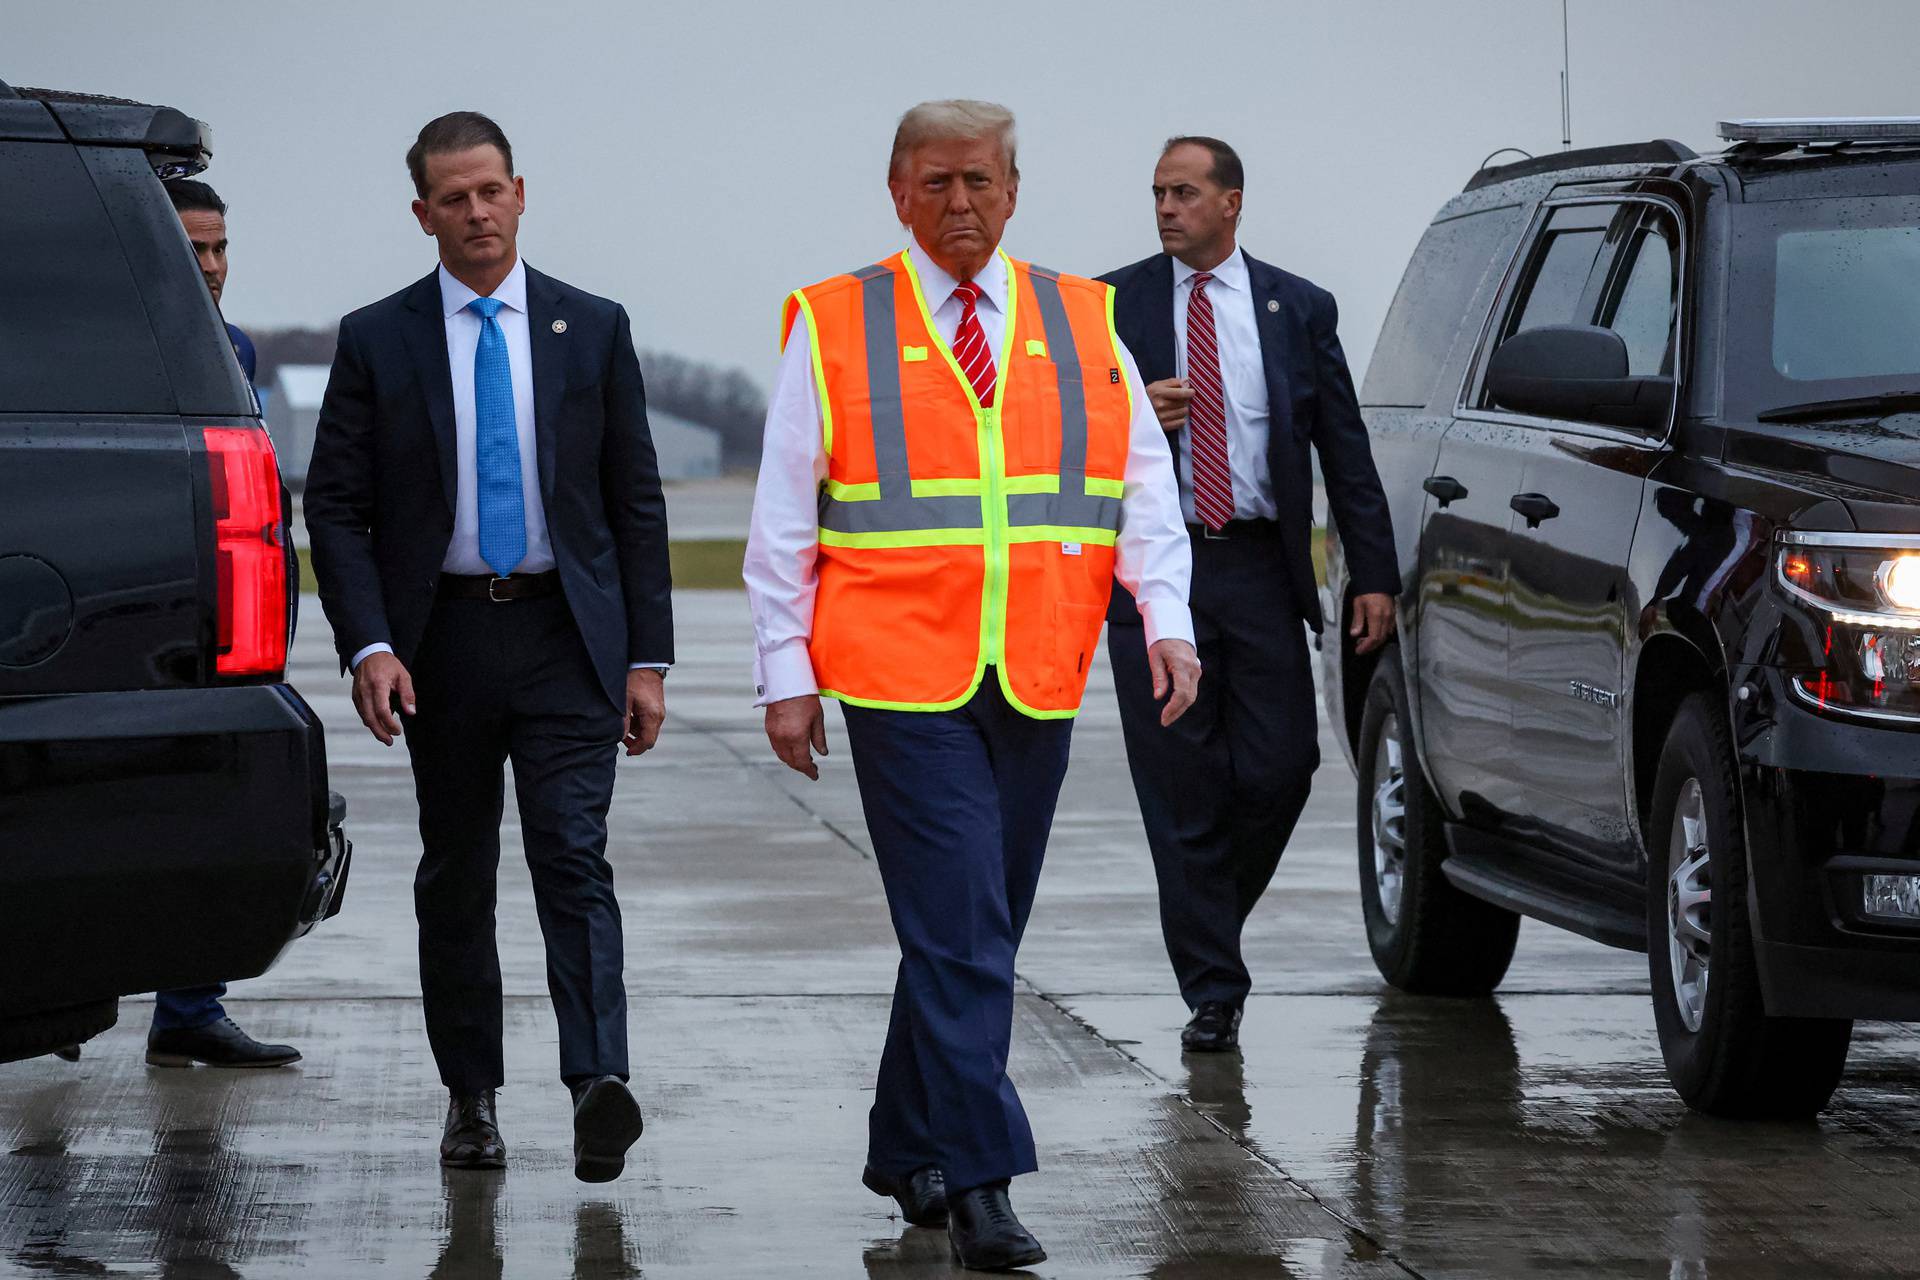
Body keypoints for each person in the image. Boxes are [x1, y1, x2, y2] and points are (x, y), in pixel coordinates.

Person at [745, 99, 1199, 1271]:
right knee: (960, 923)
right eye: (937, 184)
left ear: (1014, 189)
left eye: (981, 183)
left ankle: (907, 1143)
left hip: (1037, 664)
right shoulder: (836, 321)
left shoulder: (1085, 316)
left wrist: (1169, 620)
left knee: (972, 926)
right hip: (899, 673)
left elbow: (1141, 489)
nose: (961, 206)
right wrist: (784, 675)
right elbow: (784, 517)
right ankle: (984, 1179)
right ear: (898, 191)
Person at [304, 112, 671, 1182]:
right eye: (453, 198)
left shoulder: (590, 327)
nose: (476, 212)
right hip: (443, 642)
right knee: (457, 872)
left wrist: (647, 655)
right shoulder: (380, 337)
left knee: (571, 851)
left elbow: (633, 499)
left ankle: (598, 1078)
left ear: (521, 192)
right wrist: (369, 641)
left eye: (491, 191)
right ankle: (471, 1096)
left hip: (567, 634)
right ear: (423, 211)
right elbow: (336, 505)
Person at [1101, 137, 1399, 1054]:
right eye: (1157, 193)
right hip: (1156, 573)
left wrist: (1376, 572)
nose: (1164, 208)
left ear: (1231, 202)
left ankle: (1207, 916)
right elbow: (1056, 441)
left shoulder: (1297, 308)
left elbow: (1343, 449)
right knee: (1181, 785)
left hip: (1261, 568)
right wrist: (1127, 418)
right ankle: (1214, 988)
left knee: (1282, 768)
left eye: (1183, 192)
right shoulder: (1108, 307)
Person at [141, 178, 297, 1070]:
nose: (210, 267)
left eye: (220, 248)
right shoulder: (114, 347)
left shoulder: (232, 349)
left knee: (216, 809)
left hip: (232, 615)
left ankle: (190, 1009)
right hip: (144, 610)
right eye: (191, 248)